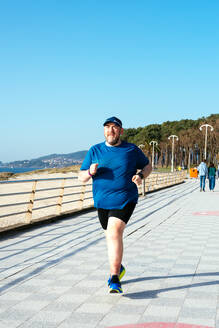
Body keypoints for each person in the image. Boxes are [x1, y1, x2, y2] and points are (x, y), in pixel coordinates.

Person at [78, 116, 152, 293]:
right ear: (103, 130)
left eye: (114, 128)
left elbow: (148, 166)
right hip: (102, 201)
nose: (110, 131)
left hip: (125, 198)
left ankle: (114, 278)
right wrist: (90, 172)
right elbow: (81, 177)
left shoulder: (131, 149)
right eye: (107, 127)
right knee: (110, 236)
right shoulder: (95, 150)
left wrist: (141, 176)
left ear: (121, 131)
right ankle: (119, 266)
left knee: (113, 233)